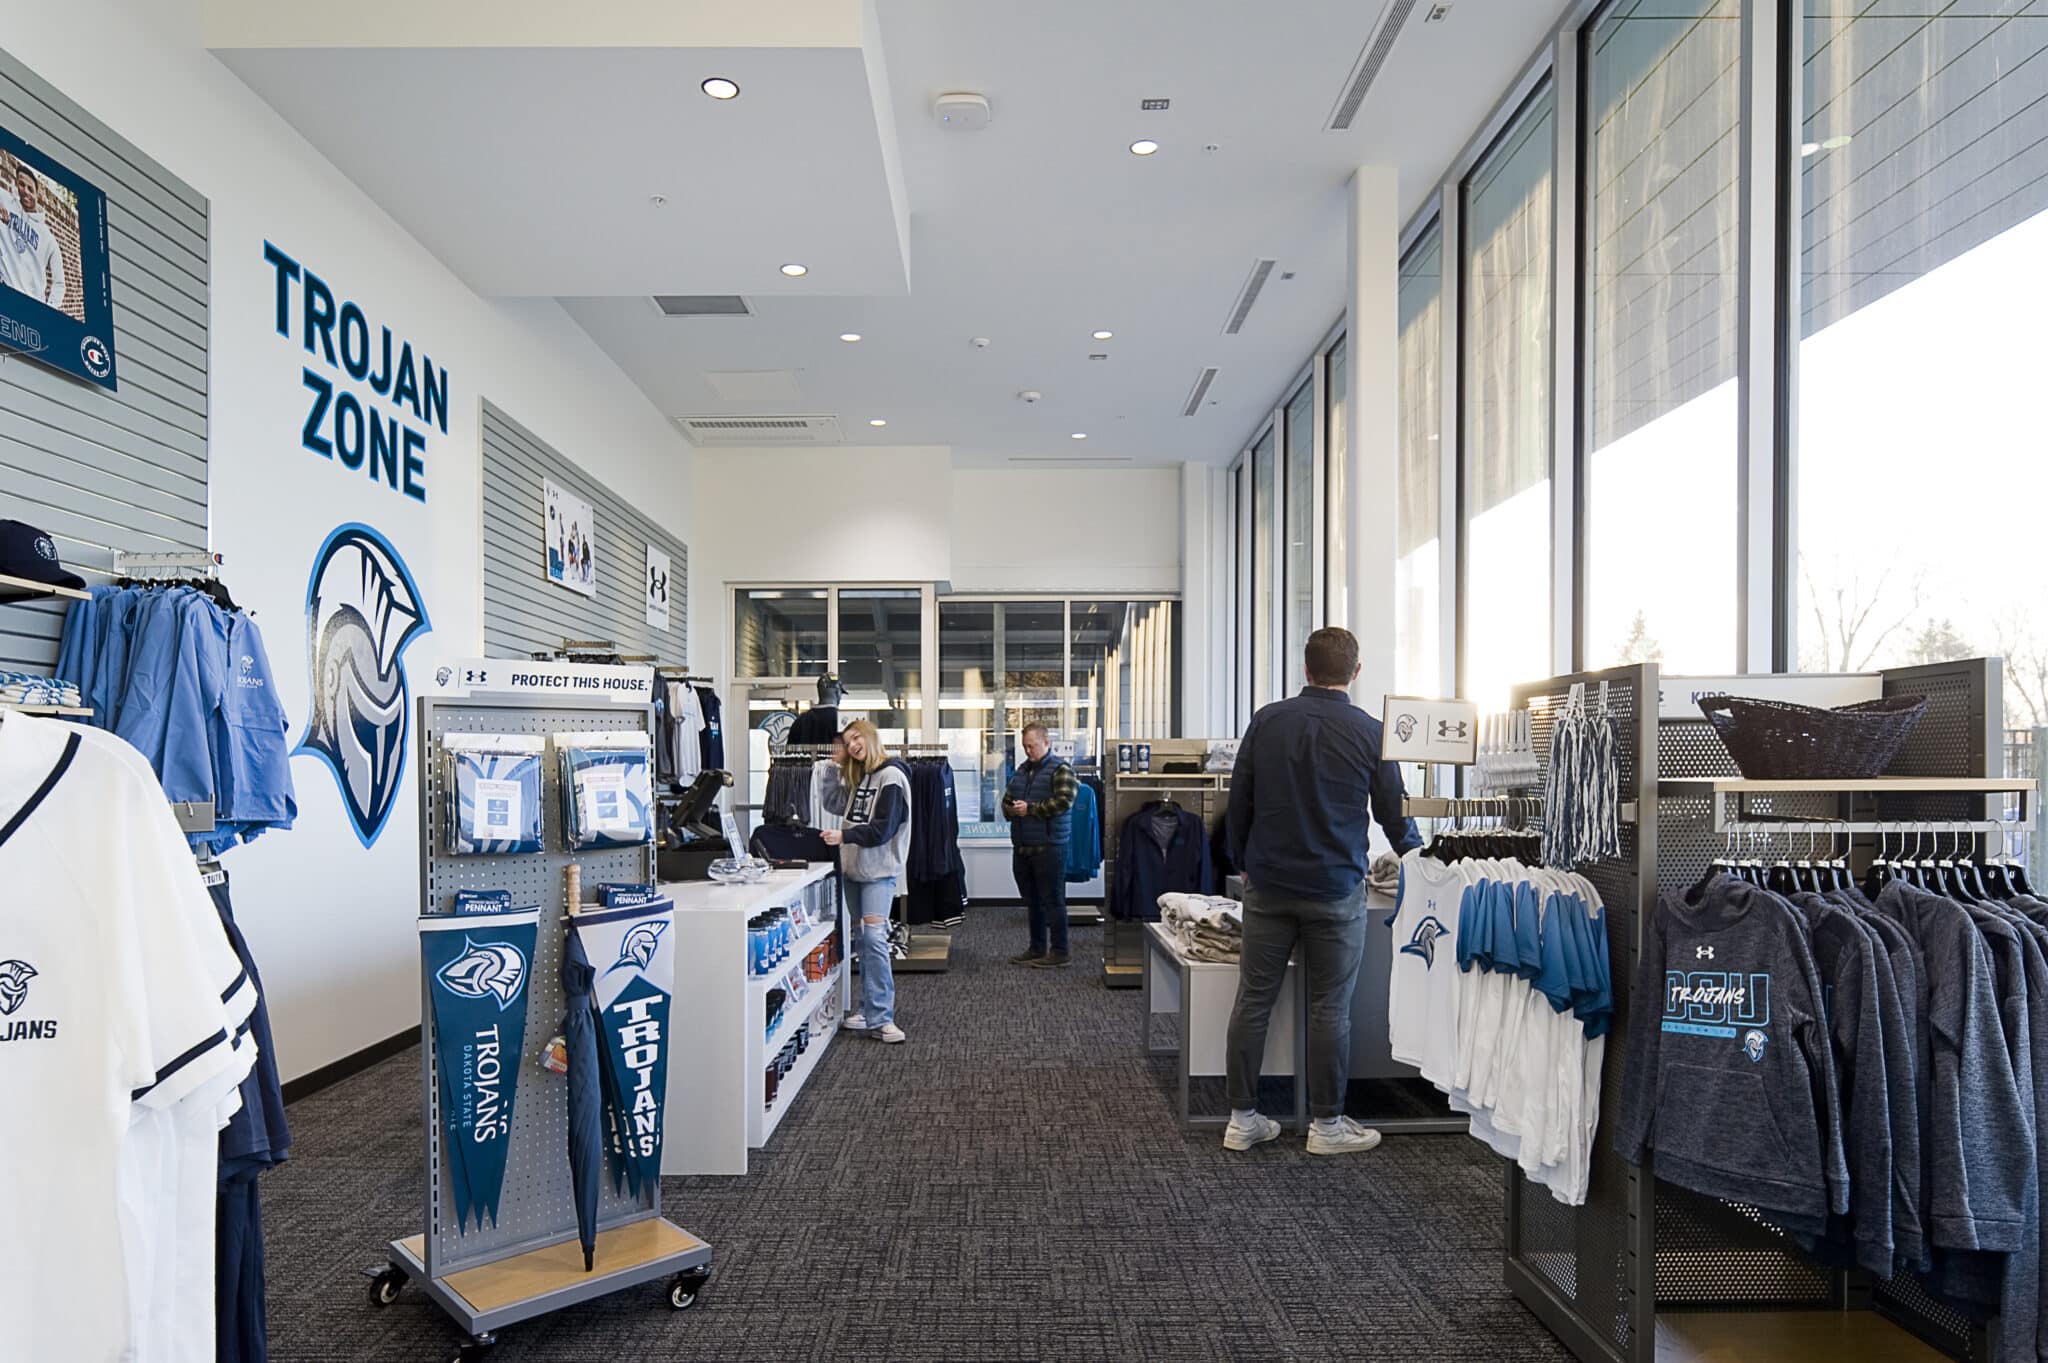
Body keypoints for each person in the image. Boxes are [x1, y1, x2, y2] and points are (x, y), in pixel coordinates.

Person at [1221, 626, 1421, 1156]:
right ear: (1355, 673)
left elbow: (1238, 802)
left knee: (1254, 1001)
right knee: (1330, 1008)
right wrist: (1422, 861)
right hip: (1335, 890)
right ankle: (1326, 1127)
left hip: (1268, 883)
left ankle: (1242, 1118)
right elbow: (1395, 818)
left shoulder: (1267, 721)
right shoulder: (1372, 733)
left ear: (1305, 670)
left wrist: (1242, 863)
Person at [820, 718, 911, 1043]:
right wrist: (835, 766)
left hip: (878, 872)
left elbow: (883, 829)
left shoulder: (892, 777)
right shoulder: (862, 777)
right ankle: (868, 1009)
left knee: (873, 939)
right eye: (848, 741)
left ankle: (882, 1017)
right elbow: (832, 803)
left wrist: (843, 835)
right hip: (854, 870)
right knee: (862, 941)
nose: (853, 744)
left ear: (871, 736)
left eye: (857, 737)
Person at [1002, 721, 1077, 967]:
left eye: (1032, 746)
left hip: (1049, 847)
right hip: (1023, 846)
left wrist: (1030, 810)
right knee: (1032, 901)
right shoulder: (1021, 771)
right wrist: (1010, 809)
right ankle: (1036, 948)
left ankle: (1060, 952)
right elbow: (1007, 799)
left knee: (1053, 900)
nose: (1028, 751)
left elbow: (1064, 802)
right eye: (1025, 746)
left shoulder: (1061, 770)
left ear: (1047, 743)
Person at [0, 160, 67, 312]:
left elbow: (59, 283)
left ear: (38, 194)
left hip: (32, 308)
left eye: (30, 188)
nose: (25, 191)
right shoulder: (6, 200)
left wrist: (47, 311)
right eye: (21, 185)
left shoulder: (48, 238)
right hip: (6, 297)